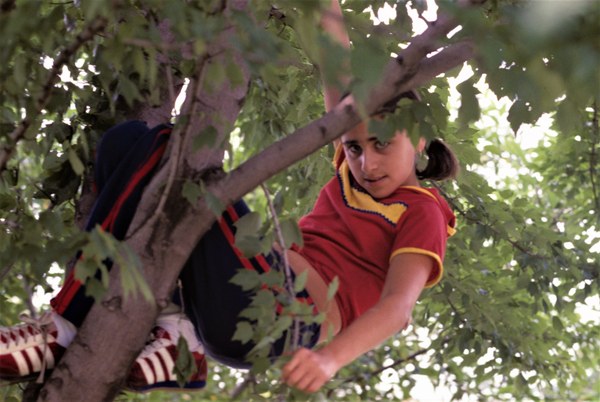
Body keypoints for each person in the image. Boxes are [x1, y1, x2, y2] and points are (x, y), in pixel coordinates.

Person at [0, 0, 458, 394]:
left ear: (419, 136)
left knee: (182, 164)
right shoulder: (352, 169)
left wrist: (331, 358)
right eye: (354, 148)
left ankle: (63, 325)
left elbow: (398, 308)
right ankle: (176, 332)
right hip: (230, 298)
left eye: (382, 144)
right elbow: (333, 48)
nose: (366, 163)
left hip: (282, 314)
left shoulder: (422, 211)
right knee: (126, 141)